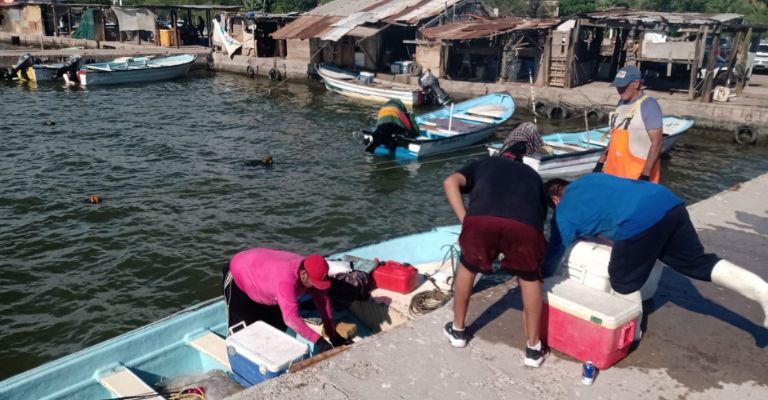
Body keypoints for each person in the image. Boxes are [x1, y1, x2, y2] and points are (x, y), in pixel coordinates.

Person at [543, 174, 768, 335]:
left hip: (640, 220)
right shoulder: (590, 178)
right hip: (668, 202)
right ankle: (762, 290)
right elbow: (610, 209)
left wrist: (542, 277)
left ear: (555, 200)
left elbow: (555, 251)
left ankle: (632, 333)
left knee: (622, 279)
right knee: (698, 263)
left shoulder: (564, 211)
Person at [442, 123, 549, 367]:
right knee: (530, 278)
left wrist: (466, 221)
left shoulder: (484, 163)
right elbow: (538, 219)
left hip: (481, 221)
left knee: (468, 267)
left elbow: (450, 182)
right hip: (525, 227)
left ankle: (458, 331)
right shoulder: (534, 176)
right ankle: (533, 349)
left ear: (505, 146)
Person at [223, 248, 349, 353]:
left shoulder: (310, 272)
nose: (317, 288)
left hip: (266, 281)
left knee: (277, 328)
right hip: (239, 273)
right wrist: (319, 341)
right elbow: (291, 319)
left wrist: (332, 334)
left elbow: (322, 301)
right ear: (303, 275)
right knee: (240, 335)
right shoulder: (286, 282)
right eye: (315, 283)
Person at [594, 65, 664, 183]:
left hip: (636, 176)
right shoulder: (621, 103)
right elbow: (615, 136)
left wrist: (645, 174)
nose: (619, 90)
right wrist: (600, 162)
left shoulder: (649, 105)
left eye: (623, 86)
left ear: (635, 84)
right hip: (615, 174)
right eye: (618, 86)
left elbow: (657, 143)